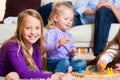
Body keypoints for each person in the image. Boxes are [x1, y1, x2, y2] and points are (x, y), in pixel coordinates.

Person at [0, 9, 75, 80]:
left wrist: (19, 74)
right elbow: (24, 73)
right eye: (28, 28)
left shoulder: (36, 45)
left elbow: (38, 71)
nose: (33, 32)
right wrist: (56, 76)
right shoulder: (13, 47)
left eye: (37, 28)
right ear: (20, 29)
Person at [36, 0, 120, 57]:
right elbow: (78, 6)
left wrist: (110, 5)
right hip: (80, 17)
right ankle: (27, 17)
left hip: (104, 17)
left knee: (103, 10)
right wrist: (93, 12)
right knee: (57, 6)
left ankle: (99, 55)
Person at [45, 2, 87, 73]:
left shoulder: (69, 35)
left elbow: (72, 47)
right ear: (56, 18)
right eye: (66, 19)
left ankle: (67, 68)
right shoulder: (51, 32)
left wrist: (73, 52)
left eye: (71, 20)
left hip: (68, 59)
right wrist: (57, 44)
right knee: (64, 62)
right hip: (54, 61)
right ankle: (58, 72)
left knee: (83, 63)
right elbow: (46, 47)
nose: (69, 22)